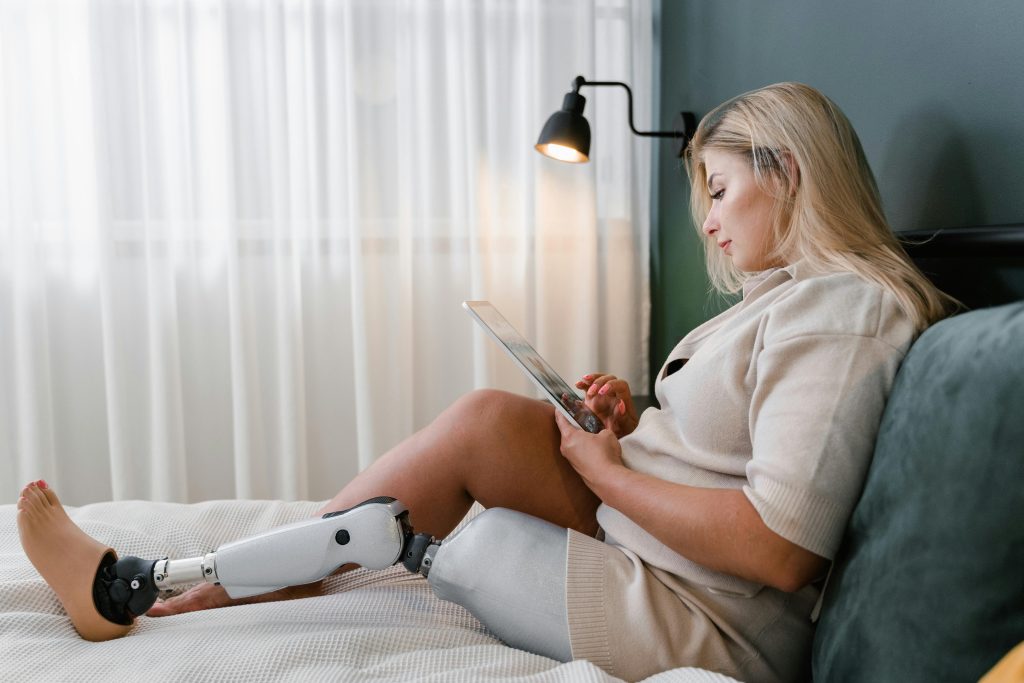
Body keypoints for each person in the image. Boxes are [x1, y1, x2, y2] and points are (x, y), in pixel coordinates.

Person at [16, 82, 954, 682]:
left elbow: (778, 547)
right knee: (485, 423)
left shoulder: (847, 308)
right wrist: (629, 417)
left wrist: (607, 473)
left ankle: (155, 592)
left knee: (426, 483)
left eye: (715, 188)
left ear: (785, 169)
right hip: (656, 537)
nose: (707, 221)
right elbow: (736, 437)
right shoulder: (786, 301)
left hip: (702, 610)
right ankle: (183, 587)